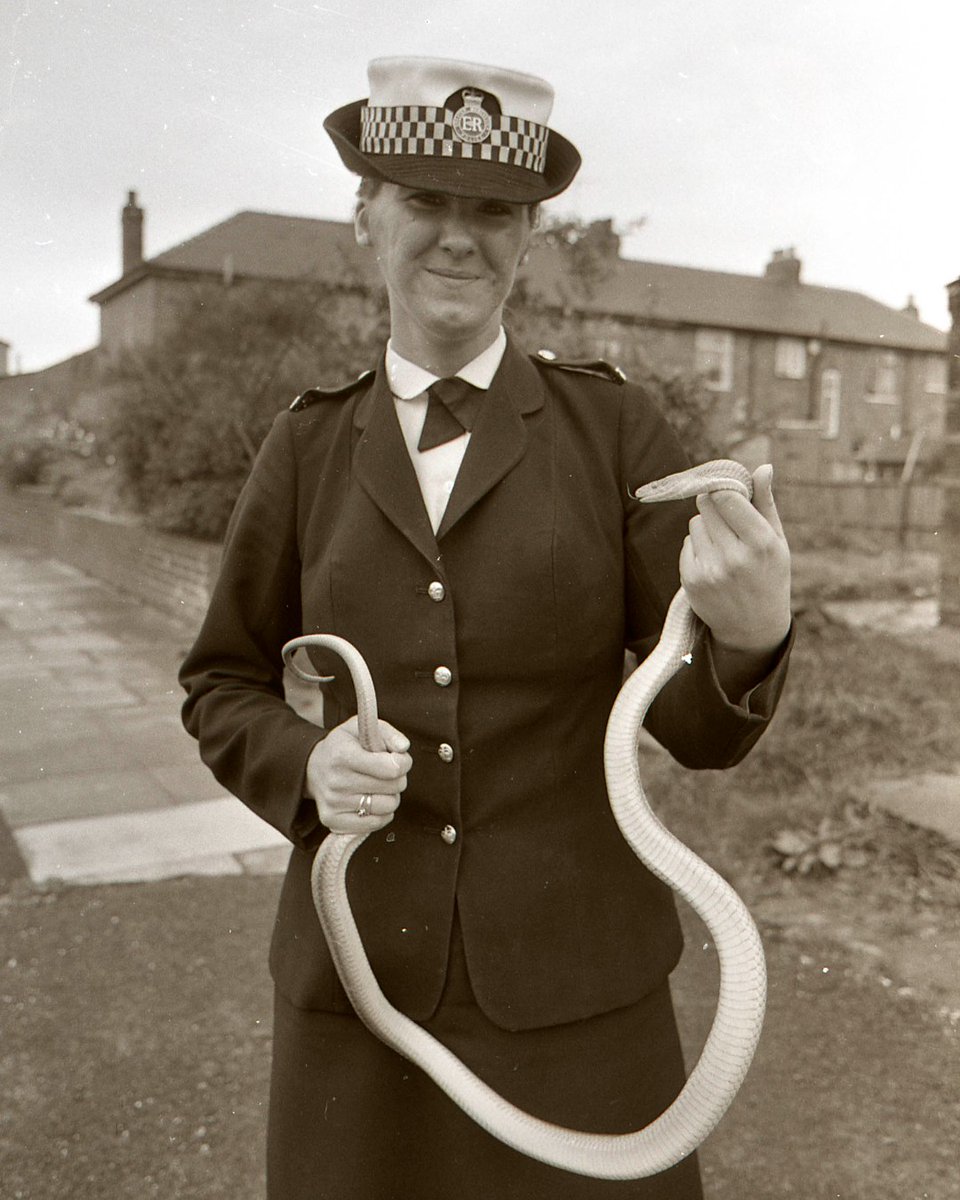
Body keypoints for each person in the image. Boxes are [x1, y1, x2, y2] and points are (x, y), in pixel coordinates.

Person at [179, 56, 793, 1200]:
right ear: (366, 216)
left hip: (580, 1002)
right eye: (425, 202)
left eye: (494, 212)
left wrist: (752, 635)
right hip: (359, 995)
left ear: (529, 238)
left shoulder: (614, 429)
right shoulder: (306, 448)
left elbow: (704, 730)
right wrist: (304, 763)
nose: (457, 238)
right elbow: (220, 683)